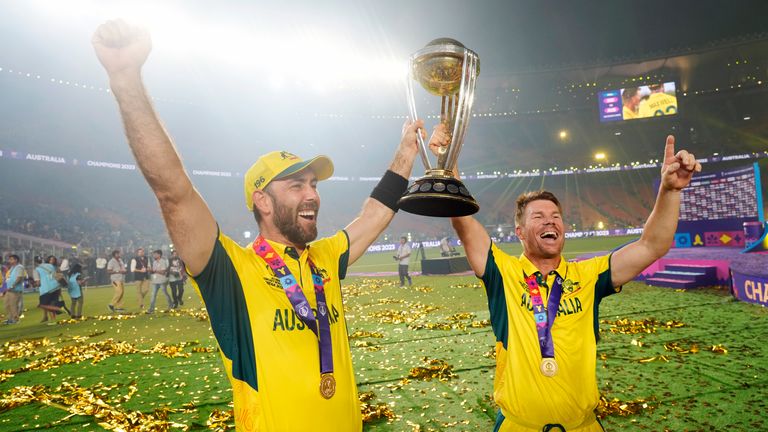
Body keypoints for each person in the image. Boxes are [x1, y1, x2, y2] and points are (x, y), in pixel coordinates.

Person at [93, 19, 422, 431]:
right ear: (261, 200)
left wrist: (407, 150)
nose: (312, 195)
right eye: (296, 185)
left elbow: (376, 213)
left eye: (314, 184)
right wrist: (126, 79)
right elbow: (173, 191)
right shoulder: (231, 271)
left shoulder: (325, 257)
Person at [431, 123, 701, 431]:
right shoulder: (503, 272)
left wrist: (670, 191)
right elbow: (463, 221)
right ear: (519, 232)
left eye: (556, 216)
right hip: (519, 426)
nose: (550, 221)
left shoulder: (590, 274)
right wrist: (447, 161)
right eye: (538, 216)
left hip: (583, 426)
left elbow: (652, 245)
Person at [35, 255, 68, 323]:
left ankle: (59, 309)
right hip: (55, 286)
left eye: (53, 259)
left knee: (42, 305)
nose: (52, 261)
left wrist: (34, 284)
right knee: (50, 304)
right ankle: (51, 320)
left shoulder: (37, 269)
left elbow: (38, 282)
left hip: (46, 289)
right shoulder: (51, 266)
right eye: (51, 259)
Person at [2, 255, 25, 324]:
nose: (9, 261)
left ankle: (15, 319)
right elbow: (9, 278)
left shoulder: (20, 267)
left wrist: (12, 285)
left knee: (13, 305)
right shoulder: (12, 267)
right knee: (7, 305)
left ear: (16, 260)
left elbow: (19, 278)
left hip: (15, 290)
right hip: (9, 289)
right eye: (9, 259)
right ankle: (10, 319)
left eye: (11, 259)